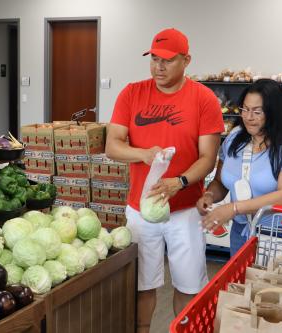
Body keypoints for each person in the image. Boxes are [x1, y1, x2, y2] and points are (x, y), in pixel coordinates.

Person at [105, 28, 224, 333]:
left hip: (184, 210)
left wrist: (179, 182)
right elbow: (112, 145)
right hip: (141, 209)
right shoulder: (132, 93)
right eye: (154, 59)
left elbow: (207, 158)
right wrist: (143, 154)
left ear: (187, 60)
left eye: (167, 61)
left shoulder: (204, 98)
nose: (158, 66)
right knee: (142, 284)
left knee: (188, 284)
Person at [197, 79, 282, 256]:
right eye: (245, 109)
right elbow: (221, 181)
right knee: (242, 282)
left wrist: (234, 208)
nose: (248, 117)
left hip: (281, 234)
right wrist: (209, 195)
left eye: (257, 111)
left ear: (275, 112)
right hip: (241, 230)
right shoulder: (235, 139)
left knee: (275, 283)